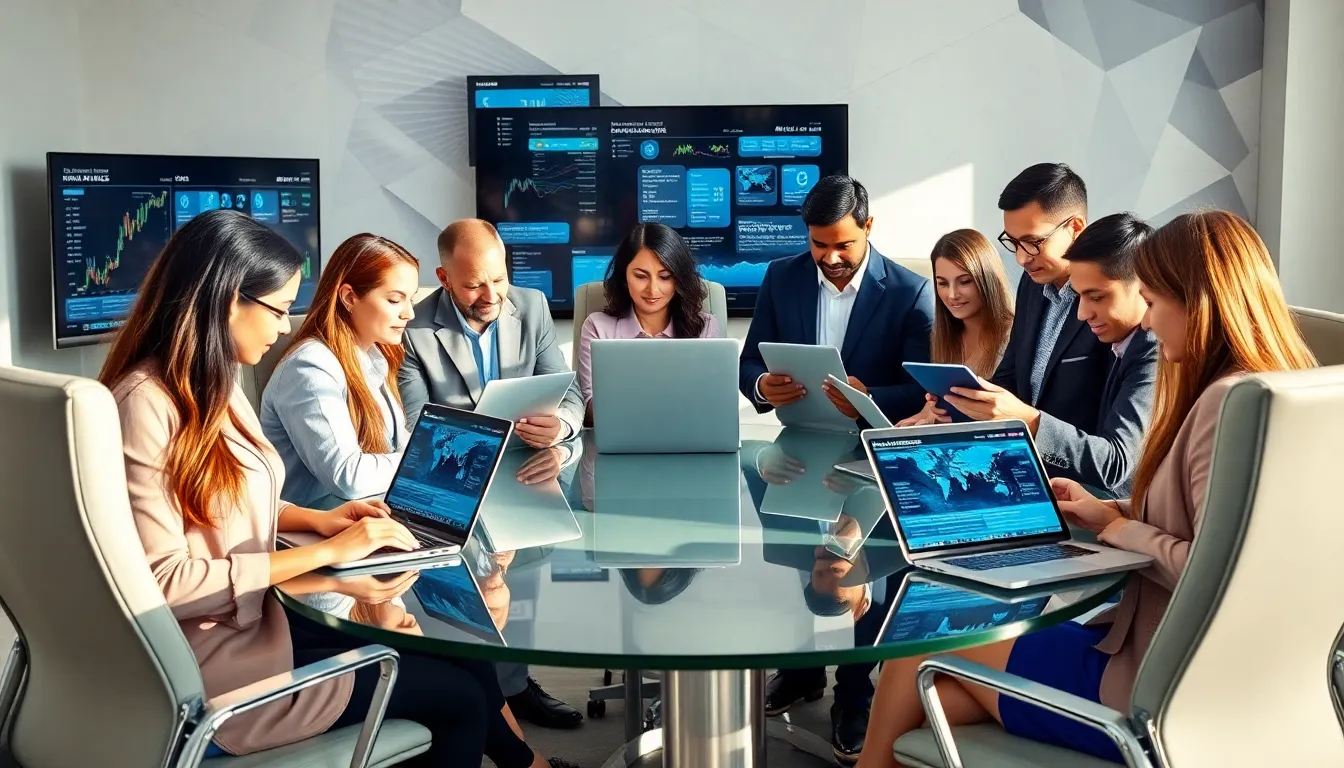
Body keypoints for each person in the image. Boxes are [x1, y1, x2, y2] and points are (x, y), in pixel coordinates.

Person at [99, 209, 571, 767]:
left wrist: (320, 522)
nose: (283, 327)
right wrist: (326, 559)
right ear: (229, 302)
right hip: (226, 665)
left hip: (257, 620)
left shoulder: (210, 383)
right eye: (276, 310)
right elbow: (163, 581)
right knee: (459, 699)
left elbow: (227, 507)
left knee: (462, 658)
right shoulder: (147, 404)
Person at [856, 210, 1316, 767]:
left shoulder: (1223, 403)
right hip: (1240, 690)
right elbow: (1222, 528)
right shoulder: (1289, 388)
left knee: (925, 640)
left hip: (1153, 688)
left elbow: (1216, 575)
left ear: (1197, 303)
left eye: (1151, 300)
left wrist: (1123, 529)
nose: (1147, 321)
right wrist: (1108, 512)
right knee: (939, 704)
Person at [398, 218, 584, 730]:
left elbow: (564, 390)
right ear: (443, 277)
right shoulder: (412, 327)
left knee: (522, 582)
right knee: (476, 591)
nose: (491, 294)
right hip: (455, 479)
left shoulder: (532, 306)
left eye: (498, 279)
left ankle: (514, 686)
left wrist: (561, 424)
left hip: (528, 470)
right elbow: (417, 424)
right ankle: (484, 694)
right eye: (474, 283)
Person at [936, 213, 1160, 495]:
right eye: (1079, 296)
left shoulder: (1154, 350)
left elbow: (1114, 465)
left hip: (1110, 508)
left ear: (1143, 287)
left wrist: (1030, 420)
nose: (1082, 313)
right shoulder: (1121, 338)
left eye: (1097, 297)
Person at [739, 174, 935, 426]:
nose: (830, 259)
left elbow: (921, 391)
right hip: (799, 440)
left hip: (872, 442)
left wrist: (868, 399)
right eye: (819, 244)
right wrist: (761, 386)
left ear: (868, 226)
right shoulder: (781, 278)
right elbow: (749, 362)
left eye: (844, 245)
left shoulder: (911, 293)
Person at [260, 234, 418, 503]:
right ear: (349, 297)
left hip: (370, 513)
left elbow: (399, 447)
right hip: (315, 529)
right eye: (395, 300)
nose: (409, 313)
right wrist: (423, 465)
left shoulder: (377, 357)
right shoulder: (309, 367)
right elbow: (348, 477)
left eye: (411, 300)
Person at [957, 163, 1112, 436]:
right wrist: (960, 403)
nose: (1021, 258)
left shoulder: (1112, 302)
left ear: (1076, 227)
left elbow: (1114, 448)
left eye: (1033, 242)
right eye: (1014, 243)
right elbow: (1011, 376)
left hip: (1078, 474)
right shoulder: (1032, 283)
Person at [577, 222, 722, 424]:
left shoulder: (705, 327)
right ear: (624, 276)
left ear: (679, 279)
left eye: (665, 277)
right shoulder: (597, 327)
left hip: (686, 438)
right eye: (640, 276)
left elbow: (711, 406)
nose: (653, 290)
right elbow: (589, 412)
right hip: (620, 437)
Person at [896, 228, 1014, 426]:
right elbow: (935, 404)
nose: (952, 295)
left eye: (964, 282)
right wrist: (919, 420)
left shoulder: (1014, 336)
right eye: (942, 283)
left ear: (988, 280)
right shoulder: (942, 336)